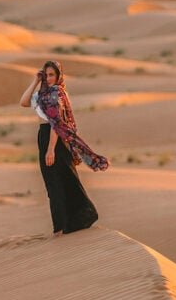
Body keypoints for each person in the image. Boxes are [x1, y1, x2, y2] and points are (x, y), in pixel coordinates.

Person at [19, 59, 109, 236]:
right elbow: (23, 102)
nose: (49, 78)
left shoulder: (57, 94)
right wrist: (36, 81)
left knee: (62, 183)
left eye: (52, 74)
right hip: (43, 137)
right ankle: (64, 225)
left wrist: (51, 149)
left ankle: (66, 225)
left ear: (59, 76)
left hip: (55, 141)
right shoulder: (42, 94)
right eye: (46, 74)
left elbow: (56, 123)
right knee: (54, 185)